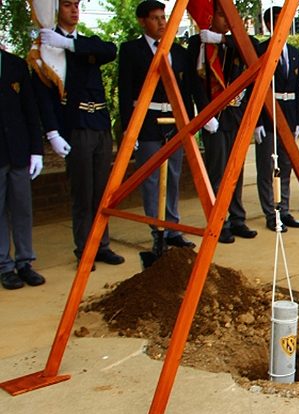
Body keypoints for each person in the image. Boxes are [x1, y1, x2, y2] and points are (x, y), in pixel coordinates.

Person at [32, 0, 125, 266]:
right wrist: (53, 132)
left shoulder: (83, 42)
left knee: (101, 191)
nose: (74, 10)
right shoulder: (47, 49)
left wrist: (69, 45)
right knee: (83, 192)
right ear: (56, 10)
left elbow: (109, 51)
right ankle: (85, 248)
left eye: (77, 5)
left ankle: (102, 244)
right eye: (67, 5)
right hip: (77, 125)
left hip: (99, 123)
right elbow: (44, 96)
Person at [119, 0, 202, 251]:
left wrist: (190, 123)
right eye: (155, 18)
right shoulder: (132, 50)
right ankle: (157, 228)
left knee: (174, 174)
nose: (161, 23)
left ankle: (173, 226)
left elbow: (185, 91)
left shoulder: (178, 52)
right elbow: (124, 90)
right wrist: (127, 128)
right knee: (152, 177)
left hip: (174, 121)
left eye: (163, 17)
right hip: (147, 121)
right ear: (142, 21)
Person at [187, 1, 258, 243]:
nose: (226, 21)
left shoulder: (233, 42)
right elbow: (194, 83)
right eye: (220, 15)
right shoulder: (198, 43)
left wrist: (223, 41)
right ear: (209, 16)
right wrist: (204, 115)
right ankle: (220, 220)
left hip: (235, 114)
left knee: (235, 170)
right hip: (214, 117)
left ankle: (237, 218)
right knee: (217, 172)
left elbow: (254, 49)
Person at [254, 6, 299, 232]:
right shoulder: (260, 50)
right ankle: (271, 212)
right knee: (267, 167)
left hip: (289, 116)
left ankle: (284, 209)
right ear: (268, 24)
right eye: (276, 21)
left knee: (285, 166)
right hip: (267, 115)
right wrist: (256, 122)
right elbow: (255, 89)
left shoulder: (294, 52)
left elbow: (298, 89)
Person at [0, 49, 45, 290]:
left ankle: (25, 262)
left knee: (22, 209)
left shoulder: (15, 64)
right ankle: (4, 266)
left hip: (18, 150)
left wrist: (36, 150)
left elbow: (30, 110)